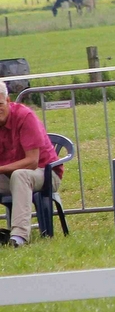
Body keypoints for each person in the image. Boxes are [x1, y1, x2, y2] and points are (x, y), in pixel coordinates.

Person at [0, 80, 61, 247]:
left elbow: (31, 162)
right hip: (8, 175)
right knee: (17, 176)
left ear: (8, 100)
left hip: (45, 173)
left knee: (20, 175)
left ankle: (19, 237)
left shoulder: (24, 116)